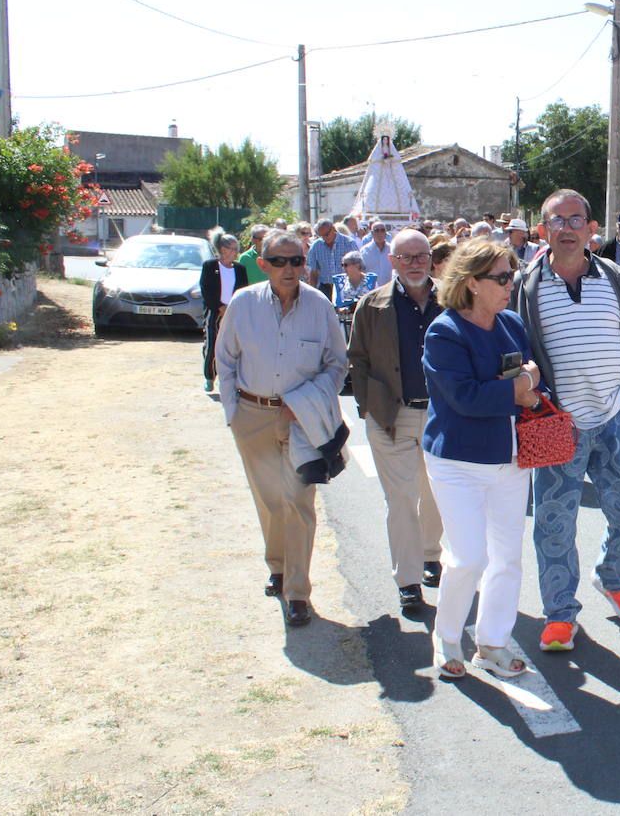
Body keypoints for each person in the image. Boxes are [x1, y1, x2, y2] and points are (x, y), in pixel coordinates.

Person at [511, 190, 620, 651]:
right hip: (558, 424)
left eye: (577, 219)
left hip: (616, 418)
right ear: (543, 230)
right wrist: (532, 395)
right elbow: (513, 348)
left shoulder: (616, 278)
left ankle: (614, 579)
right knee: (554, 523)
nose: (568, 228)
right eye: (557, 220)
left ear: (592, 228)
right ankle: (560, 614)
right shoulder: (525, 286)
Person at [421, 238, 541, 679]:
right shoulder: (445, 332)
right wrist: (521, 386)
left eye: (512, 275)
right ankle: (448, 635)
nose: (511, 284)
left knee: (507, 558)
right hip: (459, 462)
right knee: (468, 557)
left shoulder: (511, 323)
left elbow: (536, 374)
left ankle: (492, 643)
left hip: (511, 459)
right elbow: (466, 397)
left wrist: (529, 385)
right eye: (502, 277)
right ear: (472, 282)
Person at [215, 231, 348, 628]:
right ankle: (278, 566)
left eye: (296, 260)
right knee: (270, 500)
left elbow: (337, 364)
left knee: (298, 502)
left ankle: (298, 592)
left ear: (305, 263)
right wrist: (233, 414)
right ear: (263, 264)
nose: (288, 268)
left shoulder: (320, 305)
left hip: (301, 420)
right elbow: (225, 360)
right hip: (252, 416)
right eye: (279, 261)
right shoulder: (243, 304)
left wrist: (306, 399)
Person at [348, 229, 446, 614]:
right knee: (401, 498)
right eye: (406, 257)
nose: (415, 263)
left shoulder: (452, 299)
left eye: (421, 255)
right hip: (392, 415)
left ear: (431, 258)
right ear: (392, 262)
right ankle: (408, 581)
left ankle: (430, 553)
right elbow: (357, 359)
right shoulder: (372, 305)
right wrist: (371, 407)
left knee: (437, 492)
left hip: (442, 416)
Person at [201, 232, 250, 392]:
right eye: (234, 249)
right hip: (215, 312)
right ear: (223, 249)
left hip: (235, 312)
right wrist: (220, 307)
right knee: (212, 344)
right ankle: (210, 377)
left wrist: (233, 309)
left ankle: (231, 379)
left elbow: (243, 290)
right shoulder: (210, 266)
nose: (236, 252)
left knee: (234, 346)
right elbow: (206, 290)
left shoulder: (240, 269)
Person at [307, 219, 360, 300]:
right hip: (325, 288)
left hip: (346, 287)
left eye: (326, 234)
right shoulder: (316, 246)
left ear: (333, 229)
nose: (325, 238)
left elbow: (358, 267)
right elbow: (313, 272)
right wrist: (312, 293)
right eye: (321, 236)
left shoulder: (349, 243)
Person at [360, 221, 393, 285]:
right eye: (376, 230)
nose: (380, 233)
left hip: (389, 288)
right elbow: (361, 271)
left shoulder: (392, 250)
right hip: (371, 288)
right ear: (372, 233)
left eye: (382, 230)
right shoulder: (364, 251)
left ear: (386, 233)